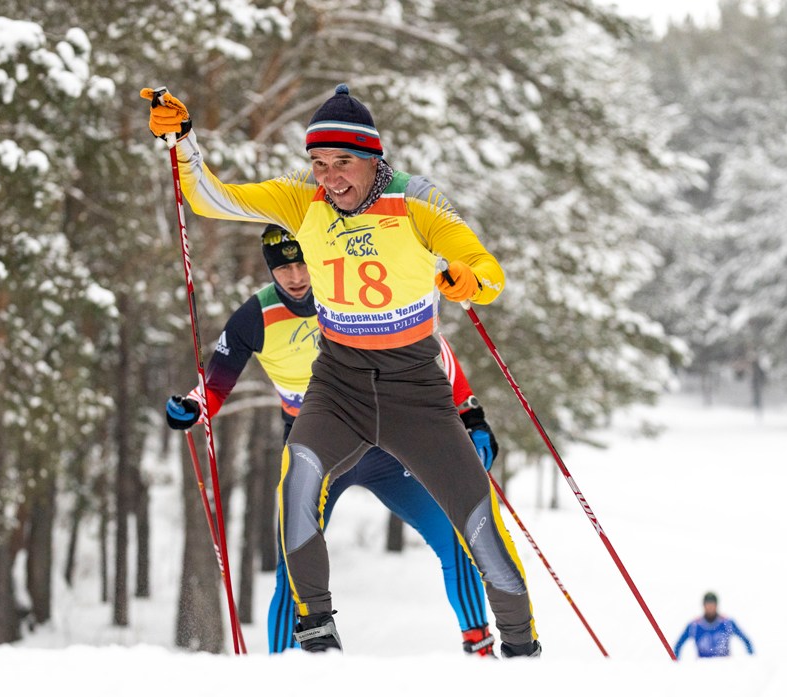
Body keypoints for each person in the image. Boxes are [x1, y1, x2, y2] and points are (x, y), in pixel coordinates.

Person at [142, 83, 540, 656]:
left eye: (343, 163)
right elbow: (210, 198)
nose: (330, 177)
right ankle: (315, 635)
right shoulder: (300, 204)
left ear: (373, 157)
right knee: (297, 479)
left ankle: (522, 648)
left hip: (416, 393)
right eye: (319, 163)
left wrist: (471, 279)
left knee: (477, 516)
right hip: (338, 387)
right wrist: (182, 142)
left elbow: (484, 265)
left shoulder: (415, 200)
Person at [166, 225, 500, 656]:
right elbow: (214, 385)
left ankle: (481, 645)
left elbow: (431, 346)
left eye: (303, 262)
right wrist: (192, 407)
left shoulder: (347, 289)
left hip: (383, 443)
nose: (296, 276)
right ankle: (283, 669)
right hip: (315, 450)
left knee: (457, 537)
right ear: (272, 271)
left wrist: (471, 414)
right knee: (294, 564)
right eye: (283, 267)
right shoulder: (255, 316)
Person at [673, 591, 754, 659]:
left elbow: (746, 640)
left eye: (712, 604)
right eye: (708, 604)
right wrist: (677, 664)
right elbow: (679, 645)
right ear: (703, 605)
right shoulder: (694, 626)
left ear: (716, 605)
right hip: (703, 668)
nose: (710, 607)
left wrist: (750, 661)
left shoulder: (727, 623)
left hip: (725, 667)